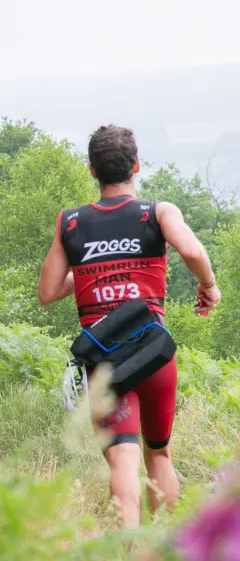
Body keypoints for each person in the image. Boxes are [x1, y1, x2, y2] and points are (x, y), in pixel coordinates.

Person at [38, 125, 221, 528]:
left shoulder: (70, 223)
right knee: (159, 454)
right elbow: (191, 250)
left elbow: (48, 291)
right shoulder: (157, 212)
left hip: (104, 363)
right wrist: (208, 285)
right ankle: (167, 552)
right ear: (136, 166)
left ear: (92, 171)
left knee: (122, 460)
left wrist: (87, 272)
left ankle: (129, 549)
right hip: (153, 354)